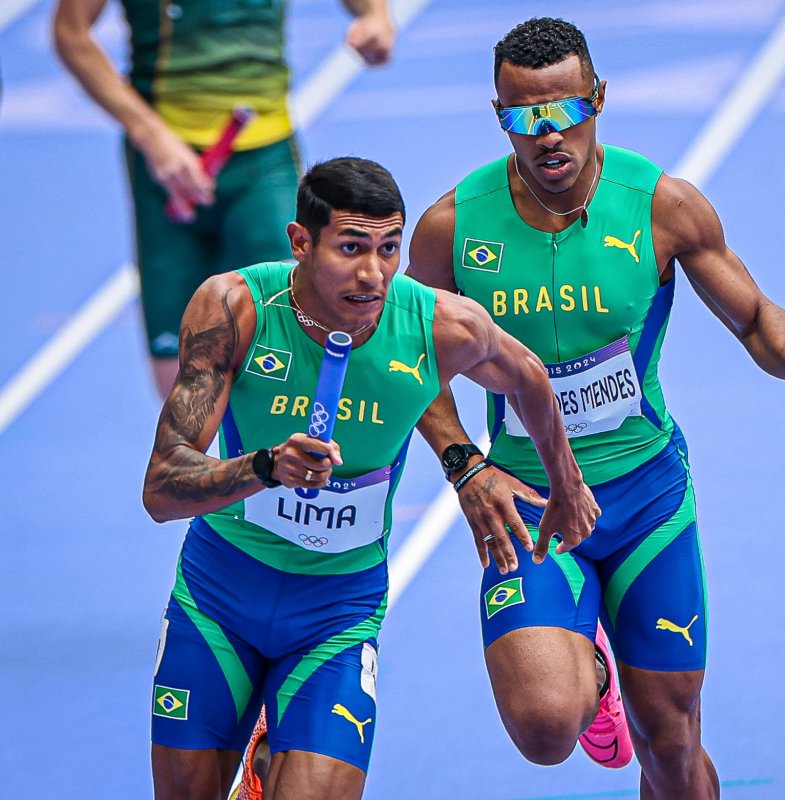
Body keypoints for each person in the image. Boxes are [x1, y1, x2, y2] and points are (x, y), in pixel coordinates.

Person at [407, 17, 785, 799]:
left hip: (647, 501)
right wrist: (464, 465)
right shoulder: (452, 228)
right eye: (524, 118)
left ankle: (617, 683)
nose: (547, 135)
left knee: (672, 741)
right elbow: (408, 364)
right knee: (548, 729)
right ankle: (587, 677)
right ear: (499, 117)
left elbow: (752, 315)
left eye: (566, 112)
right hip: (532, 508)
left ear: (599, 100)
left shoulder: (661, 207)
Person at [141, 157, 598, 800]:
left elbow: (528, 376)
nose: (373, 273)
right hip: (219, 598)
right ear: (301, 242)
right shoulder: (236, 308)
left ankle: (277, 754)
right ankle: (265, 754)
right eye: (351, 248)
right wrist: (264, 467)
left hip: (336, 612)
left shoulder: (439, 325)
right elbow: (161, 487)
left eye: (389, 248)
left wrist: (566, 483)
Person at [53, 0, 395, 398]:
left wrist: (376, 15)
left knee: (294, 337)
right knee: (180, 373)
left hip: (263, 160)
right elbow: (71, 30)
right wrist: (149, 134)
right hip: (165, 162)